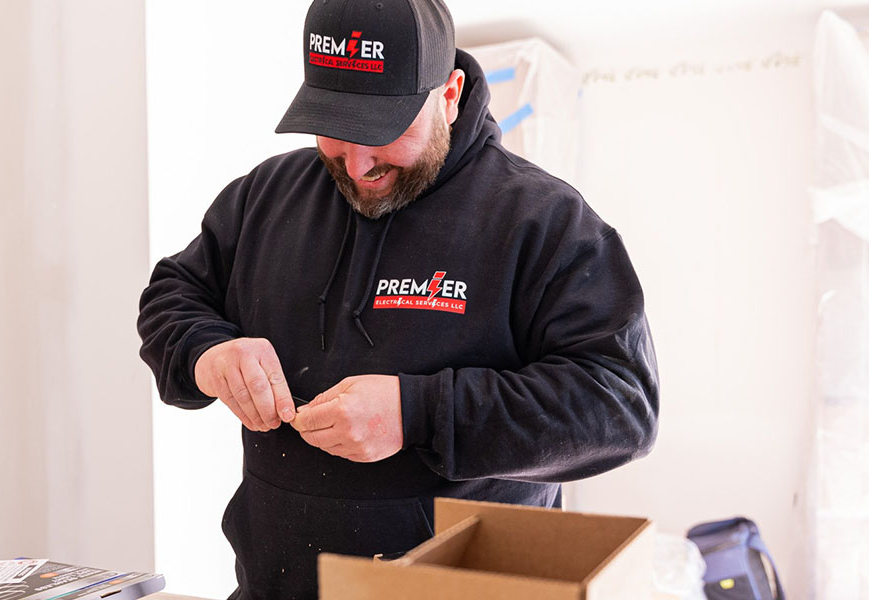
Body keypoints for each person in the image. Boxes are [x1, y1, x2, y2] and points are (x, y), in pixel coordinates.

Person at [137, 0, 660, 598]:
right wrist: (208, 353)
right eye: (335, 129)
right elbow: (172, 294)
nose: (357, 165)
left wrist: (419, 414)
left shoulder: (543, 221)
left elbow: (620, 406)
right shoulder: (265, 197)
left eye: (383, 130)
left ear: (449, 95)